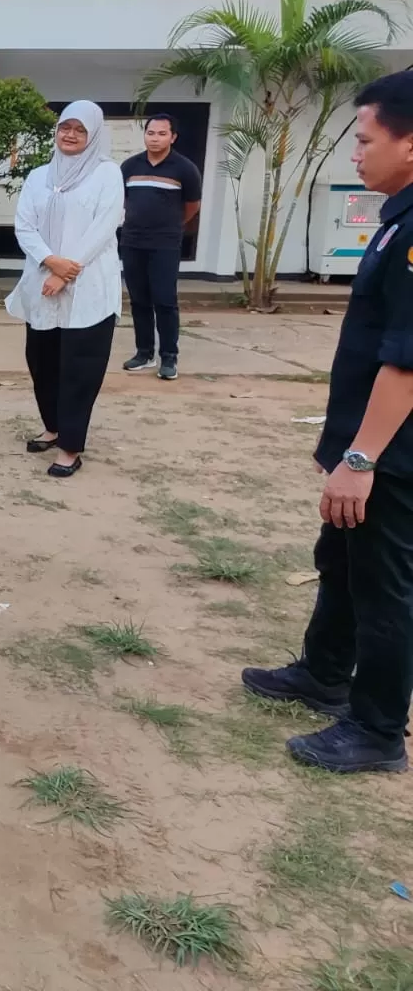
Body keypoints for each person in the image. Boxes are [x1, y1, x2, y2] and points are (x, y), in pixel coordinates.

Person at [242, 72, 413, 774]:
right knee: (340, 564)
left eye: (367, 140)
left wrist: (362, 459)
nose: (356, 154)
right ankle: (323, 671)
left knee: (383, 585)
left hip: (392, 458)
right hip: (363, 446)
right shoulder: (397, 217)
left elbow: (405, 365)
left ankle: (376, 729)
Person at [5, 101, 124, 479]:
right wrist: (49, 261)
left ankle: (71, 447)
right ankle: (53, 427)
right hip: (42, 283)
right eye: (64, 127)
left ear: (93, 135)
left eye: (79, 129)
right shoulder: (39, 175)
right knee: (42, 362)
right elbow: (24, 226)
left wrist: (66, 269)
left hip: (87, 287)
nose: (70, 135)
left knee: (79, 368)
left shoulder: (107, 174)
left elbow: (105, 226)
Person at [119, 113, 201, 381]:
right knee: (139, 300)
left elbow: (192, 206)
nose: (155, 139)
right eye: (151, 133)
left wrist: (171, 226)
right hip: (132, 241)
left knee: (165, 301)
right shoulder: (129, 166)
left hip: (165, 244)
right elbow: (123, 200)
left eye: (162, 134)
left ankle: (169, 357)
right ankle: (144, 353)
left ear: (173, 137)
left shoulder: (184, 168)